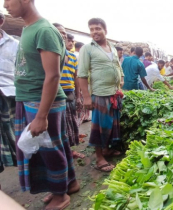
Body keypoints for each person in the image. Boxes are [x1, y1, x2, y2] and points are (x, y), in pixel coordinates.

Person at [4, 0, 79, 208]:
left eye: (8, 0)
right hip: (31, 98)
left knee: (49, 149)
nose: (4, 5)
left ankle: (60, 195)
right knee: (57, 145)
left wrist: (41, 116)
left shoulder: (44, 30)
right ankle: (68, 184)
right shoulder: (29, 28)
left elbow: (53, 76)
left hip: (41, 101)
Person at [78, 18, 124, 173]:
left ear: (105, 30)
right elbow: (82, 75)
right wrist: (86, 97)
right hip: (100, 93)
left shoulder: (111, 47)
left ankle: (107, 150)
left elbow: (118, 66)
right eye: (91, 29)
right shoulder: (87, 48)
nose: (94, 32)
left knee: (111, 125)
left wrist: (121, 79)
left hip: (114, 93)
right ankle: (99, 158)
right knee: (100, 127)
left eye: (97, 28)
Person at [53, 24, 85, 159]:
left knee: (70, 124)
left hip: (69, 92)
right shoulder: (51, 54)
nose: (68, 40)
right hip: (55, 94)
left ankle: (69, 150)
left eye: (65, 34)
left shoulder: (73, 57)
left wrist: (78, 97)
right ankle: (62, 153)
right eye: (60, 33)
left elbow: (76, 77)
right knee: (59, 126)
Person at [0, 11, 18, 181]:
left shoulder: (14, 45)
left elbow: (21, 72)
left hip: (9, 98)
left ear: (1, 21)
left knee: (15, 141)